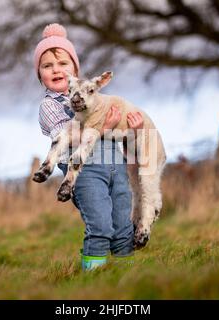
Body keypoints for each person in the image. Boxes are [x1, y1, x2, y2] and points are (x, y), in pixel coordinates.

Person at [33, 23, 143, 271]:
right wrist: (106, 126)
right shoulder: (49, 107)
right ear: (39, 74)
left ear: (74, 70)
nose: (56, 70)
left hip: (116, 167)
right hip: (85, 173)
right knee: (101, 225)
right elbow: (67, 136)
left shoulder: (96, 98)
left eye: (63, 64)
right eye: (47, 66)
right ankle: (94, 282)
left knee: (124, 227)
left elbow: (119, 132)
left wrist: (129, 128)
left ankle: (126, 281)